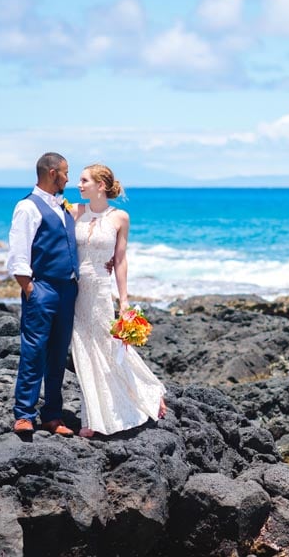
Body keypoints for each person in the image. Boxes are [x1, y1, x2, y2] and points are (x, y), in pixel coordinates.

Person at [70, 164, 167, 438]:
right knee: (82, 351)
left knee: (108, 347)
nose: (79, 185)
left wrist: (124, 301)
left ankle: (149, 391)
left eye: (84, 180)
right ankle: (92, 417)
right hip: (74, 291)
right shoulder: (74, 211)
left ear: (101, 185)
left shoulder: (120, 218)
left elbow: (121, 260)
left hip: (100, 291)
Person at [6, 152, 78, 436]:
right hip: (43, 288)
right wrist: (29, 288)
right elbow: (18, 252)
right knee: (34, 351)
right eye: (65, 172)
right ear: (52, 173)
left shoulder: (64, 207)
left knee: (59, 354)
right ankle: (24, 414)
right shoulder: (27, 207)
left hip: (68, 290)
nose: (68, 178)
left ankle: (52, 415)